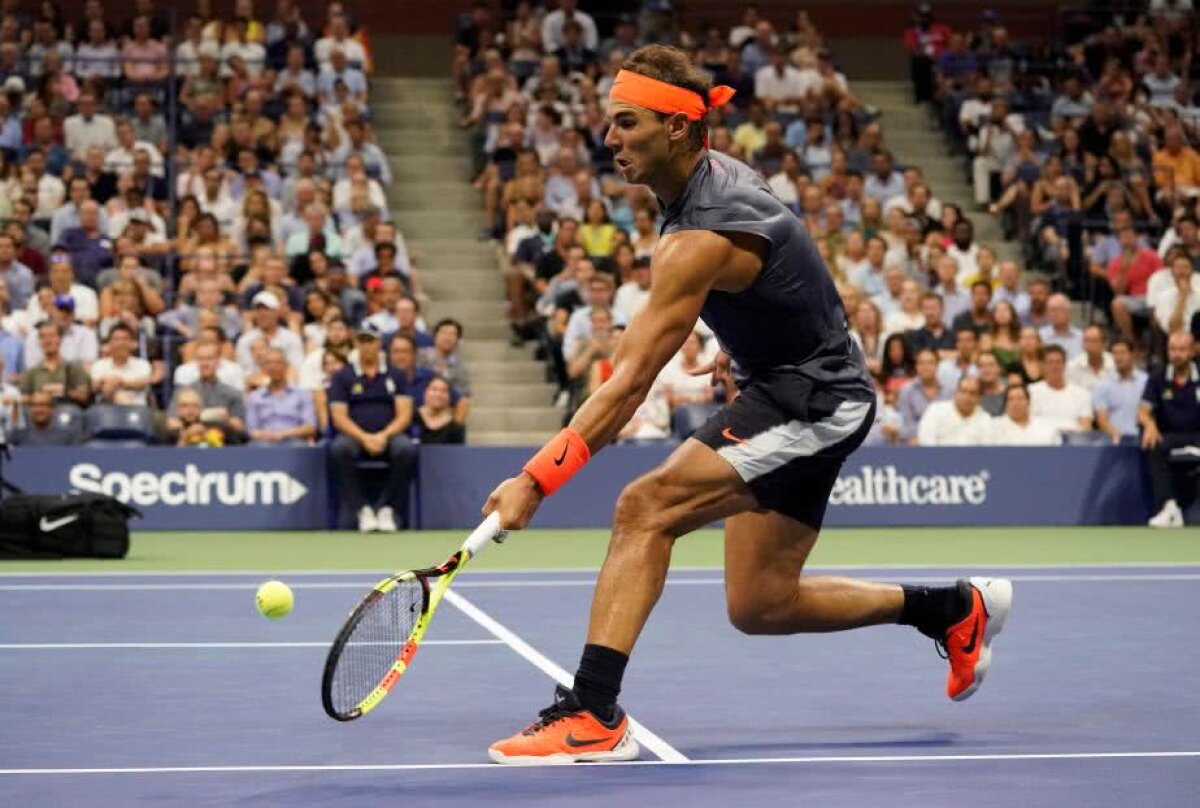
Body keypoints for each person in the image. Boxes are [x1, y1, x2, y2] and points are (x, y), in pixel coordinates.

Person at [481, 47, 1012, 764]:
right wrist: (747, 344)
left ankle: (592, 711)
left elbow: (630, 381)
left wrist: (535, 479)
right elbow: (780, 270)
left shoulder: (697, 234)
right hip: (792, 381)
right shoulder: (711, 180)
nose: (607, 139)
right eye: (608, 123)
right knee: (760, 605)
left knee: (646, 508)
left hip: (814, 397)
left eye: (625, 122)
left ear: (676, 128)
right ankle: (951, 608)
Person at [327, 323, 418, 533]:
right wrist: (364, 437)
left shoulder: (397, 375)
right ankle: (363, 510)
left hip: (390, 434)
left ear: (379, 343)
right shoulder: (343, 376)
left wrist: (383, 435)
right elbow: (339, 417)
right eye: (362, 341)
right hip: (355, 436)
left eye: (371, 341)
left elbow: (404, 414)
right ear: (356, 343)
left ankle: (386, 508)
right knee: (340, 449)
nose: (366, 346)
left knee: (405, 449)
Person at [1139, 331, 1200, 528]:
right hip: (1170, 436)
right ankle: (1169, 507)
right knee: (1152, 443)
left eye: (1182, 349)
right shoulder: (1157, 378)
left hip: (1197, 435)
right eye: (1172, 349)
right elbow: (1143, 411)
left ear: (1193, 351)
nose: (1176, 354)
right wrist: (1149, 424)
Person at [246, 347, 317, 445]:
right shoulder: (255, 397)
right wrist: (269, 436)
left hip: (293, 439)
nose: (273, 367)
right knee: (257, 446)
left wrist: (283, 434)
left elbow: (310, 427)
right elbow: (251, 430)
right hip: (265, 441)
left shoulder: (302, 394)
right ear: (263, 368)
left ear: (286, 366)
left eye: (277, 363)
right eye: (268, 363)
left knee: (298, 445)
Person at [1028, 345, 1092, 435]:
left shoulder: (1082, 394)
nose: (1054, 366)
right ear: (1042, 365)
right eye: (1050, 362)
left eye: (1058, 362)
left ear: (1065, 365)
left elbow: (1086, 426)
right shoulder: (1030, 392)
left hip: (1072, 444)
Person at [1093, 338, 1147, 444]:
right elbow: (1102, 420)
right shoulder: (1103, 385)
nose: (1118, 358)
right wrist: (1116, 436)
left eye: (1123, 353)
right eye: (1115, 353)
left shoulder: (1146, 382)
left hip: (1143, 438)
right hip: (1114, 439)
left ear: (1132, 354)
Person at [916, 375, 993, 446]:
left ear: (979, 398)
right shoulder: (936, 410)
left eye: (972, 393)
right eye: (963, 391)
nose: (966, 397)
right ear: (956, 392)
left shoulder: (986, 420)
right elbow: (926, 441)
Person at [988, 384, 1059, 446]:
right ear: (1005, 404)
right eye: (1011, 399)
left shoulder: (1044, 426)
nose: (1015, 404)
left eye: (1020, 398)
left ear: (1028, 402)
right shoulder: (994, 426)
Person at [10, 390, 80, 445]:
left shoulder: (66, 434)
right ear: (29, 408)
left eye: (43, 405)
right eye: (34, 405)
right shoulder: (19, 434)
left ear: (52, 409)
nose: (38, 410)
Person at [413, 375, 465, 444]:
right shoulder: (412, 418)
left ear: (449, 397)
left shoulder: (455, 427)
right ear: (425, 392)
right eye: (434, 389)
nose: (438, 394)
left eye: (444, 391)